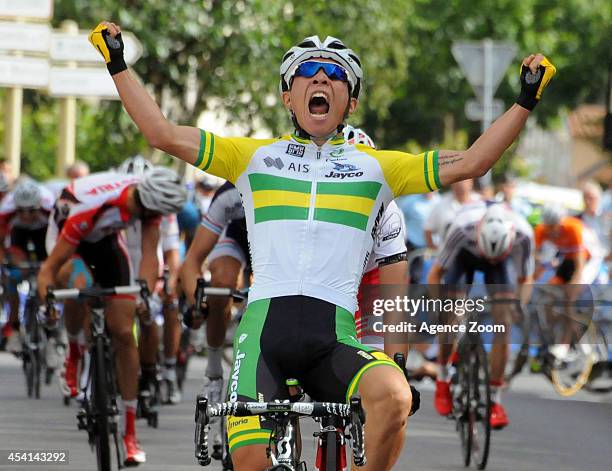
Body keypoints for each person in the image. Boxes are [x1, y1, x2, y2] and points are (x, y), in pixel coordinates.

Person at [89, 23, 555, 470]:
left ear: (350, 102)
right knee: (249, 462)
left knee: (395, 395)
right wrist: (117, 64)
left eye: (335, 75)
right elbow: (162, 134)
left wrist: (524, 100)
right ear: (287, 96)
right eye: (307, 72)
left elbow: (475, 161)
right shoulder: (250, 157)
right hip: (263, 337)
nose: (321, 78)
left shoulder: (378, 167)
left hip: (333, 338)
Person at [38, 168, 186, 465]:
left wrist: (143, 293)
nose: (150, 219)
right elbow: (48, 270)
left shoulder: (148, 206)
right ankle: (75, 350)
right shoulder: (95, 206)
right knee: (78, 285)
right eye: (148, 213)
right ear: (141, 200)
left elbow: (148, 254)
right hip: (70, 235)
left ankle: (130, 434)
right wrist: (49, 302)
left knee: (122, 330)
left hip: (106, 241)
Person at [428, 202, 535, 429]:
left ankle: (495, 400)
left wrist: (519, 307)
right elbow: (435, 273)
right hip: (464, 257)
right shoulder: (461, 229)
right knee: (450, 317)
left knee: (503, 325)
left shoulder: (524, 235)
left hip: (502, 265)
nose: (490, 259)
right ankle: (443, 377)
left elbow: (525, 280)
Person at [119, 155, 184, 405]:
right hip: (124, 265)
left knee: (166, 306)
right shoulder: (120, 204)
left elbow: (171, 253)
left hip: (152, 267)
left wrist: (169, 283)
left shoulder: (163, 209)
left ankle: (166, 369)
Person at [0, 179, 54, 354]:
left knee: (48, 269)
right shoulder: (6, 210)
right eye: (21, 210)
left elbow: (59, 238)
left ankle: (51, 319)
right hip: (19, 235)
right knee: (14, 275)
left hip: (44, 232)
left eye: (31, 210)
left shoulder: (50, 205)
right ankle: (14, 327)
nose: (26, 215)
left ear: (39, 205)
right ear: (15, 206)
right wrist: (5, 260)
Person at [424, 179, 481, 249]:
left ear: (471, 181)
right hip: (447, 256)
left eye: (464, 180)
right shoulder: (441, 205)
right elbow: (428, 229)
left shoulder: (481, 203)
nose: (460, 184)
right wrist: (434, 248)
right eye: (457, 180)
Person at [396, 192, 439, 283]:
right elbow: (398, 218)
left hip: (435, 250)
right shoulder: (409, 201)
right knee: (414, 278)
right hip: (413, 247)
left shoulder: (440, 201)